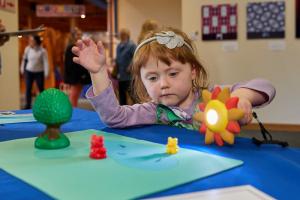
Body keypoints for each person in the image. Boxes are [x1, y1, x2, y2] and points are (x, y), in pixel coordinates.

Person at [71, 27, 275, 130]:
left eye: (173, 73)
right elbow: (114, 117)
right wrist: (98, 73)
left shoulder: (213, 98)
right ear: (142, 81)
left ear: (193, 71)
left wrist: (241, 97)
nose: (164, 84)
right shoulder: (152, 111)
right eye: (152, 78)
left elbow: (265, 86)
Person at [62, 27, 91, 107]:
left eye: (80, 34)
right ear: (73, 36)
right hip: (76, 76)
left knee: (75, 95)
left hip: (78, 75)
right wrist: (82, 73)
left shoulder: (77, 46)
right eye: (78, 34)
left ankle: (73, 110)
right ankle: (73, 112)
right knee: (74, 95)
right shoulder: (71, 47)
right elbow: (71, 64)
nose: (80, 36)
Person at [20, 35, 49, 109]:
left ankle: (44, 105)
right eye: (30, 40)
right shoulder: (27, 49)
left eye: (32, 40)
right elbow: (24, 59)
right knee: (28, 88)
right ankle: (28, 105)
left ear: (36, 41)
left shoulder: (42, 51)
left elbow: (46, 62)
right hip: (29, 72)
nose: (30, 42)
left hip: (39, 72)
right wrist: (22, 69)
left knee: (41, 89)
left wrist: (46, 73)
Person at [115, 28, 136, 105]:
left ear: (127, 35)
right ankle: (123, 112)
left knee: (133, 96)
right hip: (121, 75)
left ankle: (137, 111)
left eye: (123, 34)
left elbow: (136, 57)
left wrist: (130, 66)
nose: (121, 36)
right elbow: (117, 59)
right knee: (122, 96)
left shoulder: (132, 45)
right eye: (120, 34)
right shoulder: (118, 46)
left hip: (129, 76)